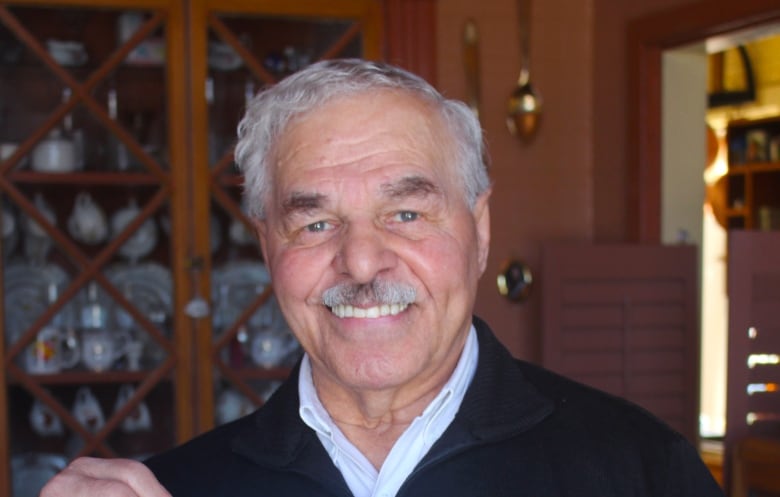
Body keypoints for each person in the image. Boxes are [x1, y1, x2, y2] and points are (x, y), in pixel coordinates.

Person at [40, 59, 724, 497]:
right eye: (314, 223)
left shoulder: (641, 471)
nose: (362, 262)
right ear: (268, 246)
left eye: (405, 212)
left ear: (479, 232)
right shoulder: (179, 487)